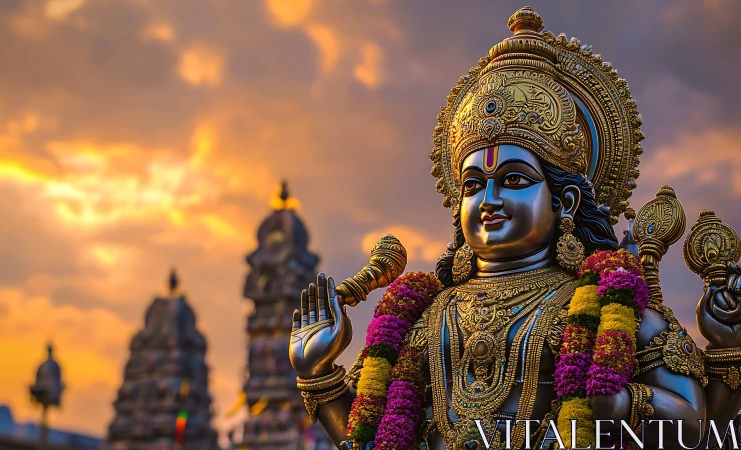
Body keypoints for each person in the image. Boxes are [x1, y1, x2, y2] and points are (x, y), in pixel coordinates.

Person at [289, 7, 741, 449]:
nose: (488, 200)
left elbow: (696, 426)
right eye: (473, 185)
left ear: (564, 201)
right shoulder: (423, 316)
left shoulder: (610, 306)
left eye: (513, 180)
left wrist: (625, 401)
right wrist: (317, 371)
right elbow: (367, 434)